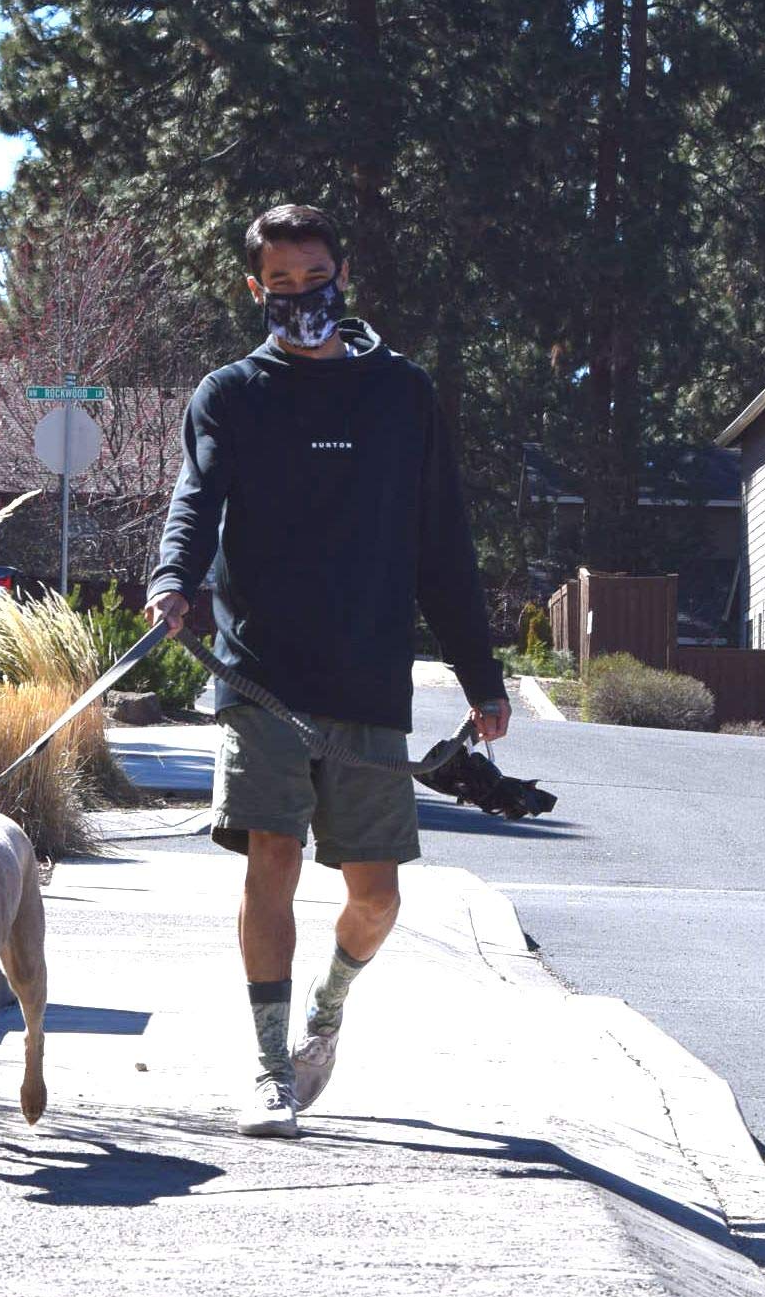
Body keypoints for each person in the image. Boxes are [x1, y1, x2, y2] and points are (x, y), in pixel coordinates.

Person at [145, 203, 510, 1139]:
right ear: (254, 289)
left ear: (344, 277)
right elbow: (196, 498)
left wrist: (481, 676)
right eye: (281, 284)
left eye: (316, 279)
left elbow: (443, 546)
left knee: (376, 898)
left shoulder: (402, 396)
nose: (301, 297)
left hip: (369, 678)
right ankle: (271, 1070)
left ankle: (327, 1009)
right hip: (261, 674)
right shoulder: (231, 394)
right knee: (272, 856)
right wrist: (173, 582)